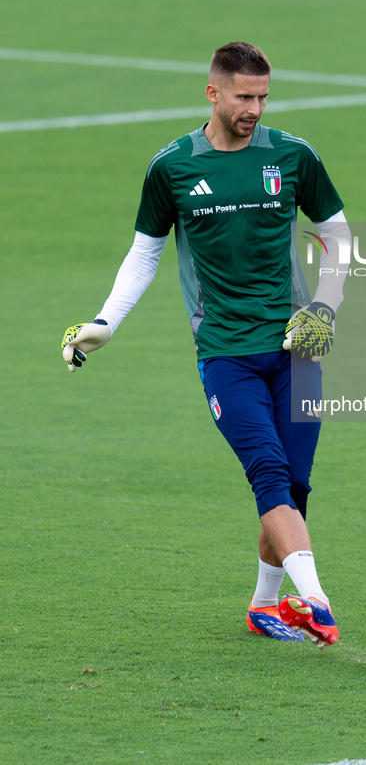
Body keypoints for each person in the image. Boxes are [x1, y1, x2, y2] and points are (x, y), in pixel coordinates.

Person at [61, 42, 350, 647]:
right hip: (224, 351)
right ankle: (316, 599)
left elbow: (337, 234)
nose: (256, 108)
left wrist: (326, 305)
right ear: (213, 93)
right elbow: (145, 252)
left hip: (298, 349)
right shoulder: (172, 167)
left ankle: (263, 606)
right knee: (268, 472)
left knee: (295, 486)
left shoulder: (293, 156)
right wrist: (106, 322)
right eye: (245, 97)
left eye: (264, 96)